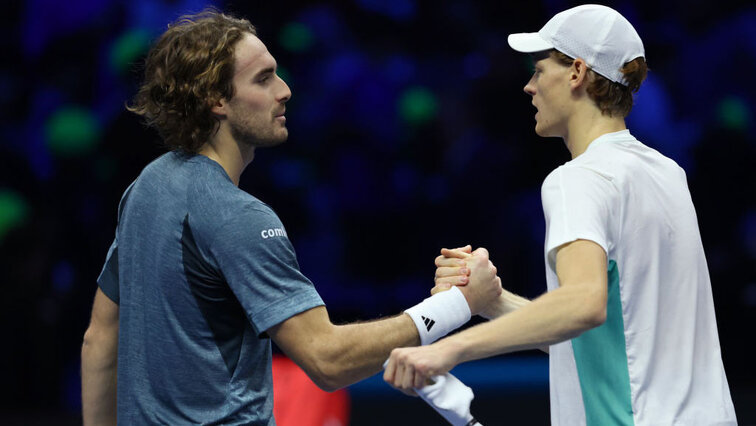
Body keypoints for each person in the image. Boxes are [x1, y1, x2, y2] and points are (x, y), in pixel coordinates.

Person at [80, 10, 502, 425]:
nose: (285, 90)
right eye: (263, 79)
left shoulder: (147, 186)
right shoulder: (238, 217)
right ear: (216, 100)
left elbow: (100, 338)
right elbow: (328, 359)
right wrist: (458, 304)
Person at [384, 5, 737, 425]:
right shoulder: (669, 174)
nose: (529, 86)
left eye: (538, 69)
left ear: (577, 73)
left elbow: (583, 305)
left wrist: (447, 350)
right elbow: (613, 339)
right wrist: (493, 302)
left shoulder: (577, 179)